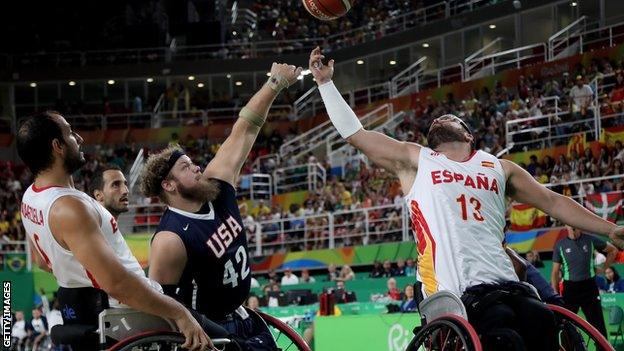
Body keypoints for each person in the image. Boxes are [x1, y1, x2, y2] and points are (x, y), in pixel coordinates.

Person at [308, 47, 624, 351]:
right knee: (502, 334)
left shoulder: (499, 167)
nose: (438, 119)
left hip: (504, 283)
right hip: (454, 292)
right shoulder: (416, 159)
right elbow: (357, 135)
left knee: (542, 320)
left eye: (450, 118)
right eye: (434, 120)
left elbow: (553, 202)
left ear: (468, 135)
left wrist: (609, 230)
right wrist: (325, 83)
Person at [141, 62, 302, 351]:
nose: (197, 167)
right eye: (185, 167)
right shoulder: (170, 239)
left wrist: (274, 83)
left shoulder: (216, 186)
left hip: (242, 315)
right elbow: (161, 306)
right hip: (209, 331)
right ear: (169, 185)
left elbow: (246, 129)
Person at [17, 112, 211, 351]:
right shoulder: (70, 208)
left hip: (85, 309)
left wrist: (77, 273)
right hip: (131, 318)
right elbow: (117, 284)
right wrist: (179, 313)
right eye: (70, 133)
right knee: (228, 341)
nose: (78, 138)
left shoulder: (29, 198)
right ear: (57, 146)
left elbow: (41, 262)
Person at [551, 227, 618, 337]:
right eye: (569, 224)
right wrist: (555, 294)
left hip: (589, 288)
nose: (572, 227)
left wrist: (604, 268)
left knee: (599, 327)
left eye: (574, 224)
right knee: (566, 326)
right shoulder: (560, 245)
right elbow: (554, 273)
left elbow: (613, 250)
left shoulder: (590, 239)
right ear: (565, 226)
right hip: (570, 289)